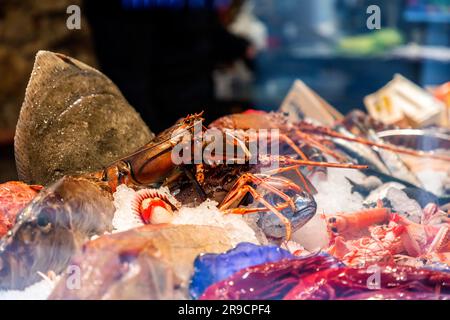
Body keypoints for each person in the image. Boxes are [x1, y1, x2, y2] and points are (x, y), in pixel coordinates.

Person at [84, 0, 254, 133]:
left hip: (197, 108)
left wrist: (243, 48)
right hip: (156, 119)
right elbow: (126, 74)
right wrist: (149, 137)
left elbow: (205, 31)